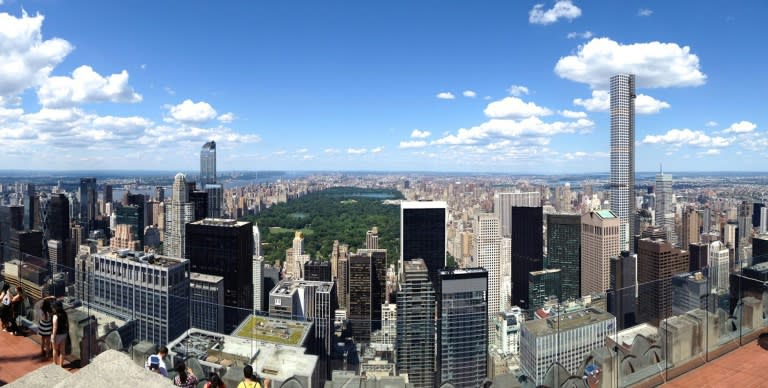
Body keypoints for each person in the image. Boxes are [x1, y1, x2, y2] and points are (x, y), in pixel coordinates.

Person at [51, 300, 69, 366]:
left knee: (55, 350)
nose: (53, 308)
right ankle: (61, 365)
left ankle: (55, 364)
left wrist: (53, 337)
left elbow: (55, 327)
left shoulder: (55, 316)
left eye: (53, 307)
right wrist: (67, 331)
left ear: (56, 308)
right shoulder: (65, 313)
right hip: (64, 334)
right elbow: (67, 324)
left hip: (57, 335)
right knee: (62, 351)